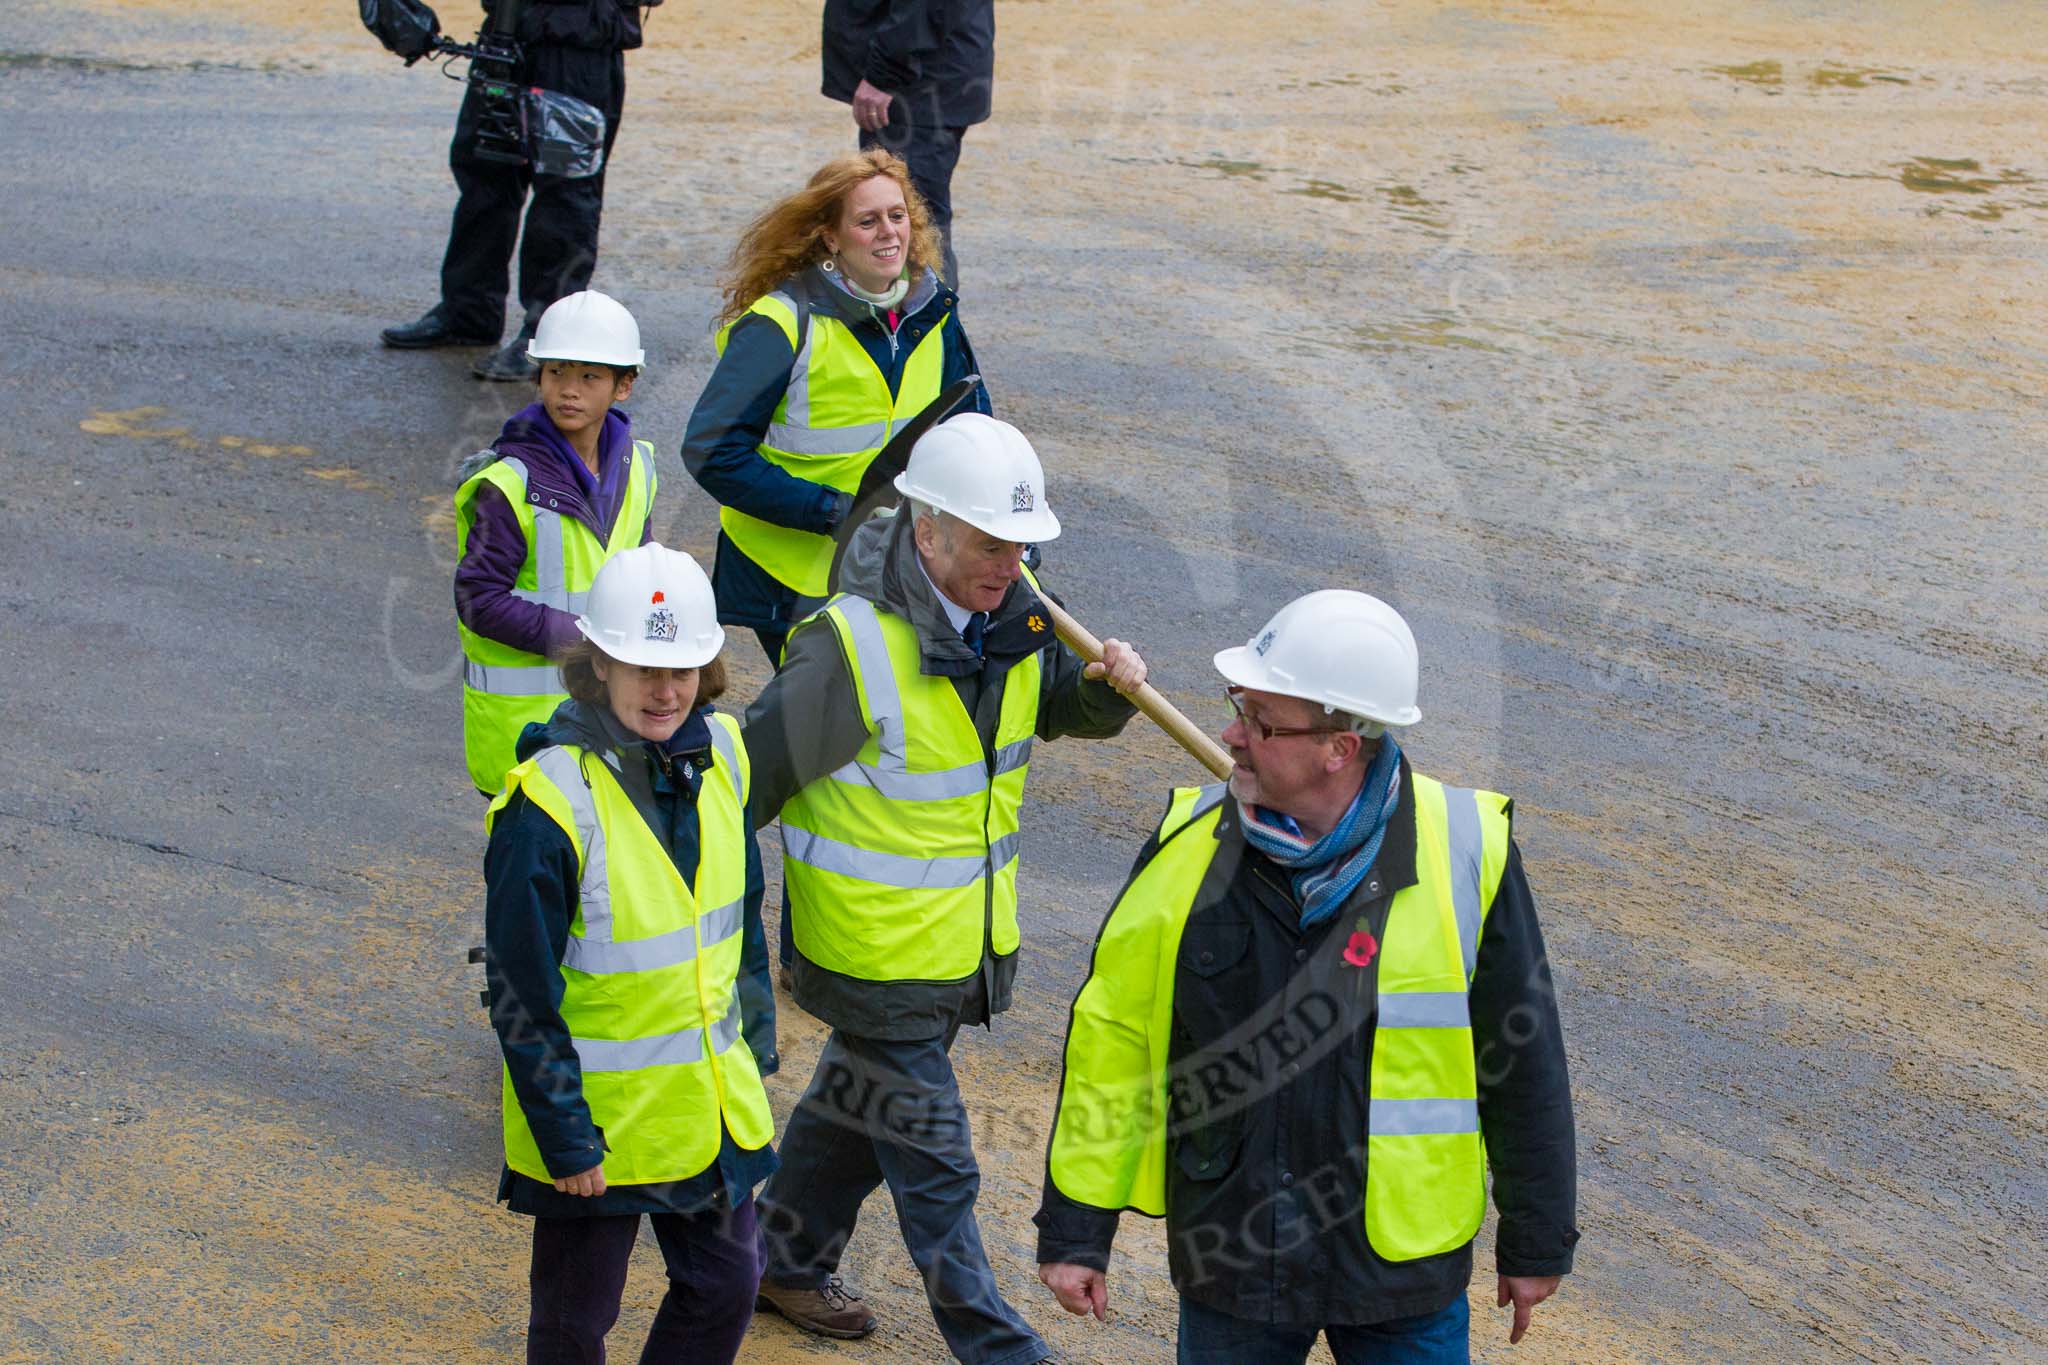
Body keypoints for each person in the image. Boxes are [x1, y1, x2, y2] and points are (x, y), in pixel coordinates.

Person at [1034, 590, 1580, 1364]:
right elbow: (1113, 1044)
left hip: (1401, 1269)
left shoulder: (1466, 851)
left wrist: (1536, 1237)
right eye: (1239, 708)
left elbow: (1523, 1055)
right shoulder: (1187, 848)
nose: (1231, 734)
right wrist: (1077, 1229)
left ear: (1340, 747)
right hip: (1235, 1262)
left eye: (1260, 720)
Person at [741, 414, 1147, 1363]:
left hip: (957, 948)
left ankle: (782, 1254)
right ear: (926, 531)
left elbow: (1054, 707)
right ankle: (1001, 1350)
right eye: (990, 542)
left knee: (849, 1109)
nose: (1011, 562)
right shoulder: (847, 649)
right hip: (870, 956)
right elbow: (747, 785)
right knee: (940, 1169)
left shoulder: (1018, 610)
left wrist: (1107, 691)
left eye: (1022, 544)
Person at [482, 543, 779, 1364]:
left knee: (726, 1286)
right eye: (642, 666)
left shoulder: (723, 756)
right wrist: (564, 1135)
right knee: (576, 1326)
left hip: (704, 1108)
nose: (665, 688)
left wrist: (752, 1043)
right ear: (599, 664)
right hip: (599, 1129)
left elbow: (739, 919)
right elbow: (518, 989)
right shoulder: (547, 802)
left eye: (681, 667)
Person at [682, 148, 988, 668]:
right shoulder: (779, 324)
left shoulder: (934, 312)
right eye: (867, 222)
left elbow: (974, 434)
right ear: (830, 238)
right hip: (794, 582)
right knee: (830, 737)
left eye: (897, 216)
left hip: (892, 566)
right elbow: (713, 452)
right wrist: (832, 512)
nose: (889, 232)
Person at [382, 0, 651, 381]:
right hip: (506, 38)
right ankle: (468, 315)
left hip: (576, 47)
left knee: (565, 197)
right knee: (484, 177)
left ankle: (550, 336)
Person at [455, 290, 656, 797]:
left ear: (623, 386)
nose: (569, 390)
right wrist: (586, 639)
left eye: (589, 376)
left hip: (606, 728)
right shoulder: (507, 485)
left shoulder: (641, 470)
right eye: (556, 373)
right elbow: (478, 601)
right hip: (523, 738)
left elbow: (642, 577)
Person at [822, 0, 994, 287]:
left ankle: (927, 329)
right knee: (910, 228)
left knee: (911, 235)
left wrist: (885, 74)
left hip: (914, 87)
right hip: (919, 84)